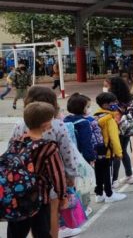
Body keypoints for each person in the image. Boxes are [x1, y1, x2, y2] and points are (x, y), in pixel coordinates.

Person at [10, 86, 78, 238]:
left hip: (23, 181)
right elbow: (67, 153)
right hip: (49, 181)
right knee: (50, 215)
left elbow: (11, 152)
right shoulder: (57, 125)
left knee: (27, 218)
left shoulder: (20, 125)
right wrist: (70, 177)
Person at [93, 92, 127, 203]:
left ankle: (99, 193)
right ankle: (109, 194)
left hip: (97, 150)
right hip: (107, 151)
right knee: (107, 172)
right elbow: (114, 138)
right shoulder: (109, 119)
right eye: (113, 102)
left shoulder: (96, 116)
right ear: (106, 105)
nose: (116, 104)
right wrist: (119, 153)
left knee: (98, 172)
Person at [104, 77, 133, 189]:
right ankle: (129, 175)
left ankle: (115, 179)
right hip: (126, 126)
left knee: (117, 153)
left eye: (107, 84)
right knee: (124, 151)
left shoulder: (112, 99)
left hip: (116, 127)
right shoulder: (127, 97)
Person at [64, 93, 95, 164]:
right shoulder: (84, 123)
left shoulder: (66, 119)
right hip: (81, 156)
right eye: (88, 106)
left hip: (70, 154)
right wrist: (90, 157)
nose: (89, 108)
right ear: (80, 108)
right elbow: (86, 142)